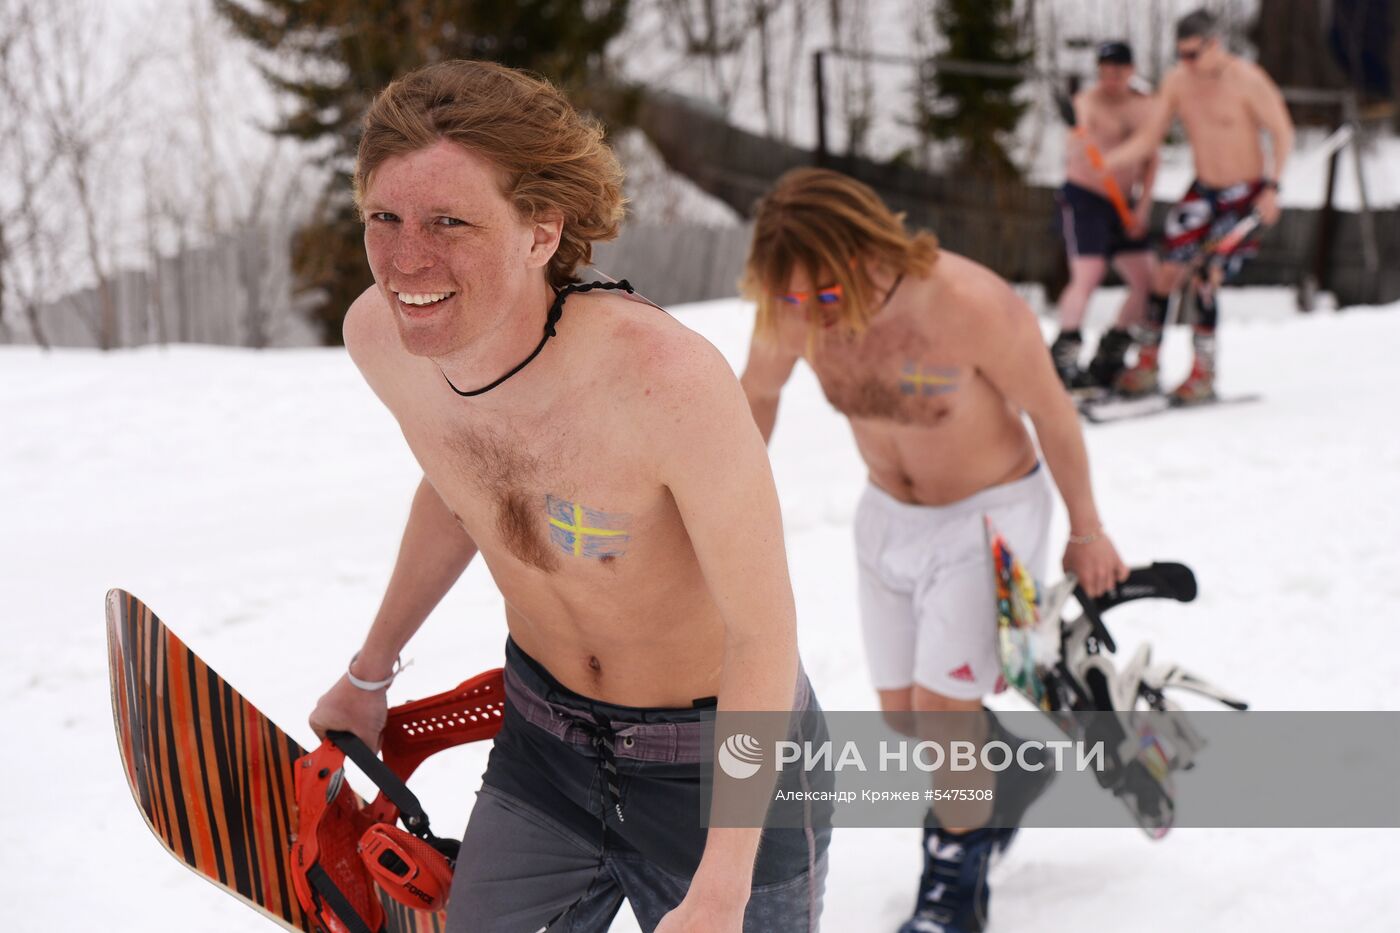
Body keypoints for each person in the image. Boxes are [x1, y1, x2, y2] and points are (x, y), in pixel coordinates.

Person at [307, 60, 827, 933]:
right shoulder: (383, 340)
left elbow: (763, 633)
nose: (404, 258)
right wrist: (370, 670)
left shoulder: (666, 381)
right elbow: (458, 482)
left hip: (717, 771)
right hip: (544, 745)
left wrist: (723, 884)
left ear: (541, 229)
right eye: (384, 218)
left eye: (448, 222)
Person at [738, 167, 1129, 933]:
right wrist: (721, 509)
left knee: (944, 712)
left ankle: (951, 891)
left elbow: (1052, 411)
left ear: (863, 255)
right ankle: (1010, 775)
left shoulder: (968, 303)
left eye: (821, 292)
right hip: (887, 516)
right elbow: (757, 392)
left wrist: (1087, 530)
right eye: (792, 297)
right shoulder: (794, 303)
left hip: (989, 517)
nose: (807, 313)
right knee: (904, 717)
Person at [1104, 8, 1295, 402]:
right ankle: (1148, 363)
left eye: (1193, 54)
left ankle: (1202, 374)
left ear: (1216, 43)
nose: (1186, 63)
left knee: (1206, 276)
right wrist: (1110, 161)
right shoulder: (1178, 82)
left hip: (1244, 194)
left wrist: (1273, 187)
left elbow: (1282, 131)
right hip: (1203, 191)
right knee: (1165, 272)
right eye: (1181, 55)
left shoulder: (1247, 80)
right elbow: (1150, 137)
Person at [1051, 40, 1159, 393]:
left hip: (1124, 205)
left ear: (1131, 70)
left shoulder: (1145, 107)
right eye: (1105, 71)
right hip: (1085, 200)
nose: (1111, 78)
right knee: (1089, 273)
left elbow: (1150, 159)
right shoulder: (1087, 104)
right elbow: (1079, 150)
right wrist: (1080, 146)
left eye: (1118, 71)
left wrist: (1141, 207)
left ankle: (1110, 354)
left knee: (1147, 280)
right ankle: (1062, 357)